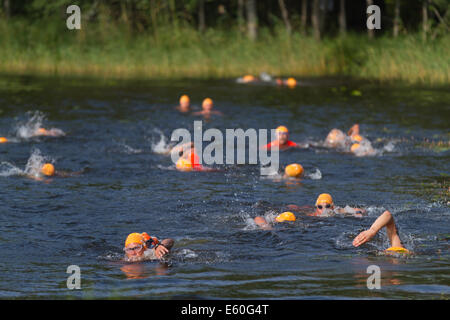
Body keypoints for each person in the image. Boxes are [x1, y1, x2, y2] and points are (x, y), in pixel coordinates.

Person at [286, 193, 366, 217]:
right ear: (317, 207)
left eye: (327, 206)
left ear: (332, 206)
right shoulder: (312, 214)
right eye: (320, 207)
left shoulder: (338, 210)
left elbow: (361, 210)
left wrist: (358, 213)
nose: (324, 209)